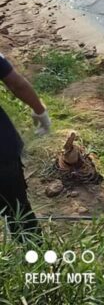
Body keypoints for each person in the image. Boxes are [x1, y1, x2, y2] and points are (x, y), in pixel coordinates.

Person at [0, 51, 50, 237]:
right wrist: (40, 111)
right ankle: (34, 259)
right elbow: (16, 84)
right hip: (2, 151)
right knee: (19, 214)